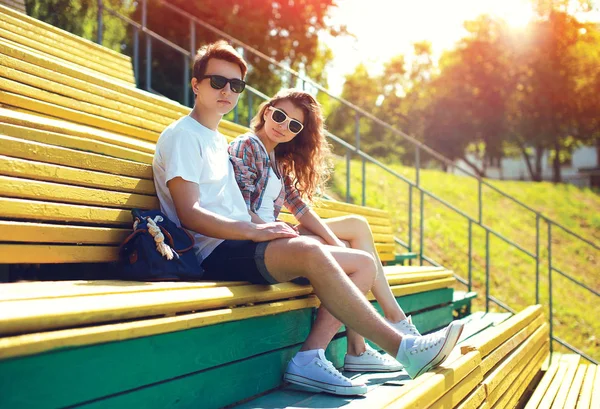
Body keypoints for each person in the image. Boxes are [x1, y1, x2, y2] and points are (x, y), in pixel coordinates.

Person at [152, 40, 463, 397]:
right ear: (196, 84)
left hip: (241, 241)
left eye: (235, 85)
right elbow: (190, 215)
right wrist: (256, 231)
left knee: (363, 264)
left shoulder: (217, 141)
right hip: (214, 251)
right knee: (312, 251)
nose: (227, 91)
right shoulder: (182, 136)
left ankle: (311, 357)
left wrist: (262, 230)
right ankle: (404, 348)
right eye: (216, 82)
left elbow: (272, 204)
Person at [228, 88, 457, 392]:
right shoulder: (249, 146)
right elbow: (241, 208)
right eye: (280, 116)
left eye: (294, 125)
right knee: (360, 263)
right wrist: (273, 230)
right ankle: (378, 337)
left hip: (276, 234)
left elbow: (299, 208)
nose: (283, 126)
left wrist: (333, 241)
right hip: (260, 240)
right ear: (267, 110)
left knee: (356, 228)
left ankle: (377, 334)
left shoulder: (276, 158)